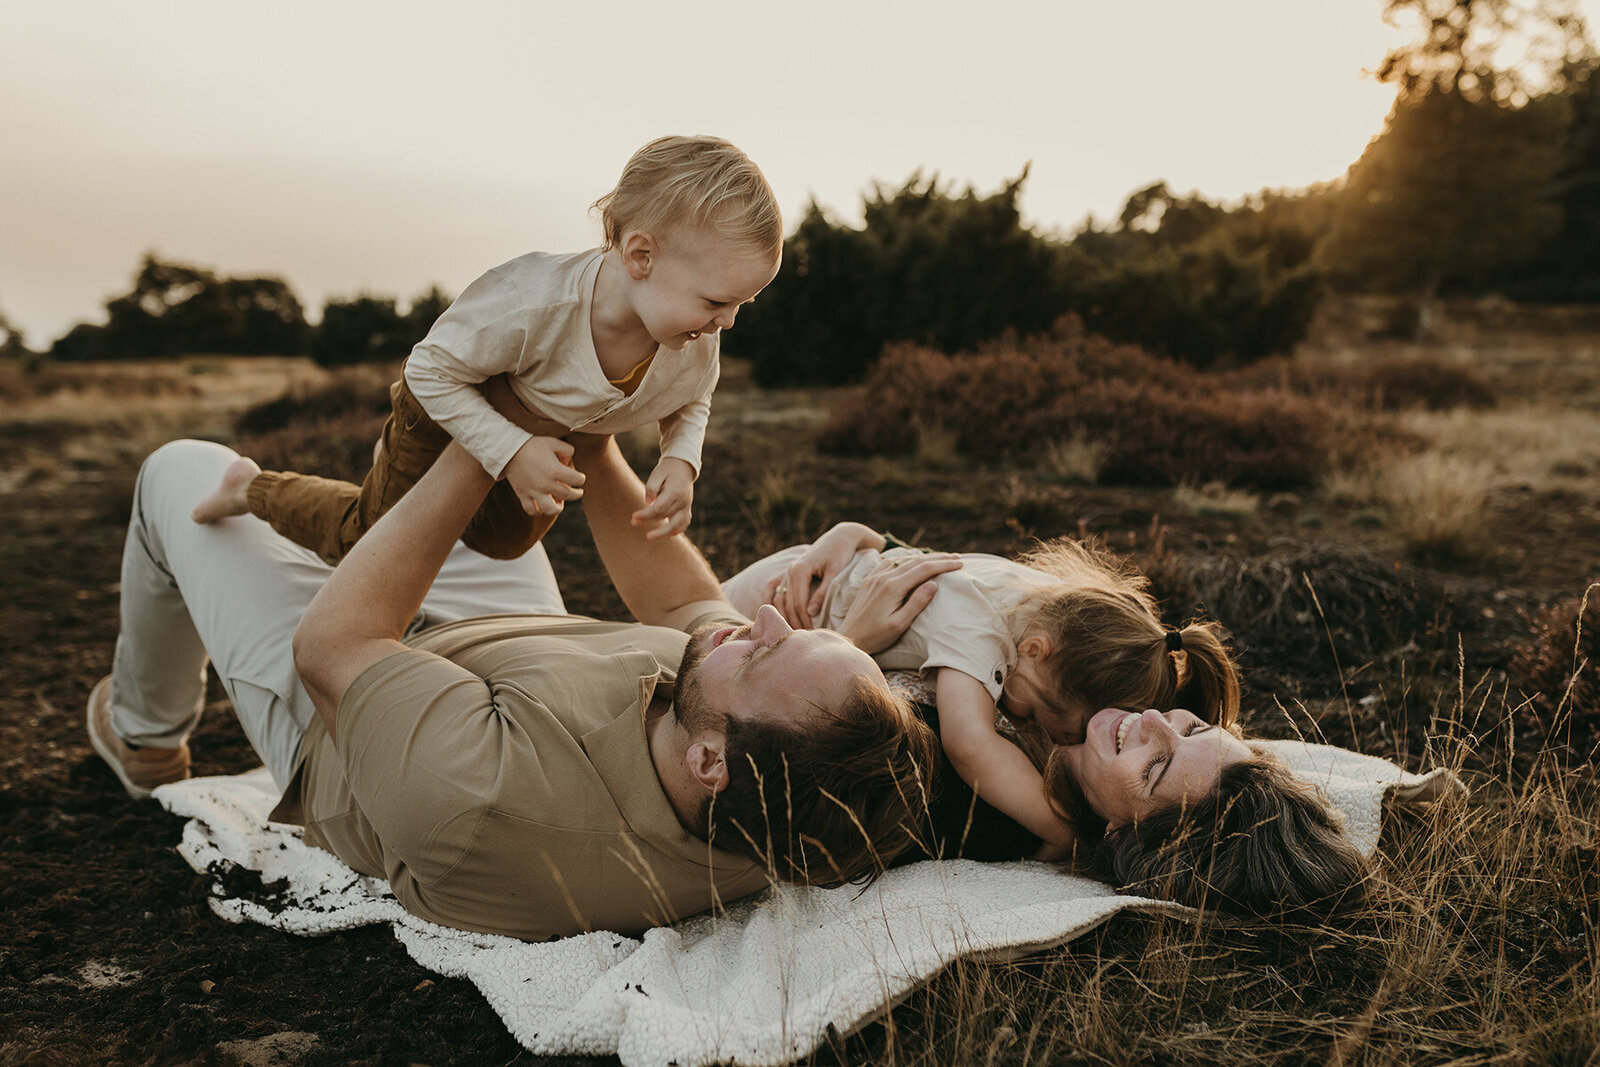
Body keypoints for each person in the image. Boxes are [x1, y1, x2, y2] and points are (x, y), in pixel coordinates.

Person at [87, 434, 950, 941]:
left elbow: (339, 644)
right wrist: (597, 433)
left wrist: (483, 439)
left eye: (767, 655)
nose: (761, 623)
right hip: (515, 651)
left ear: (710, 761)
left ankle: (145, 733)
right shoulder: (754, 766)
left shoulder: (489, 807)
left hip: (341, 709)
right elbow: (684, 601)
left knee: (181, 470)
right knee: (447, 470)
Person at [191, 135, 783, 561]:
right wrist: (511, 449)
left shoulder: (691, 333)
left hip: (543, 417)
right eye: (715, 303)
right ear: (640, 257)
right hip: (449, 400)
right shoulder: (531, 302)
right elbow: (426, 369)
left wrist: (681, 459)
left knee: (501, 543)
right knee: (366, 539)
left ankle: (403, 476)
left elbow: (694, 397)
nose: (727, 323)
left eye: (741, 306)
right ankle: (251, 486)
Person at [726, 525, 1370, 915]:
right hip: (784, 600)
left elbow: (779, 737)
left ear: (1120, 836)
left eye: (1158, 763)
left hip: (741, 647)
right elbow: (932, 568)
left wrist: (848, 643)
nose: (1150, 720)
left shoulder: (984, 807)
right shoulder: (1067, 686)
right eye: (1190, 725)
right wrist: (849, 538)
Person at [723, 522, 1243, 854]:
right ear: (1035, 650)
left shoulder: (1042, 605)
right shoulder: (984, 633)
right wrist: (1063, 832)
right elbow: (969, 744)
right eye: (1038, 715)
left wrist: (849, 536)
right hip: (774, 603)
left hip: (798, 595)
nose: (1026, 722)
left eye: (1156, 766)